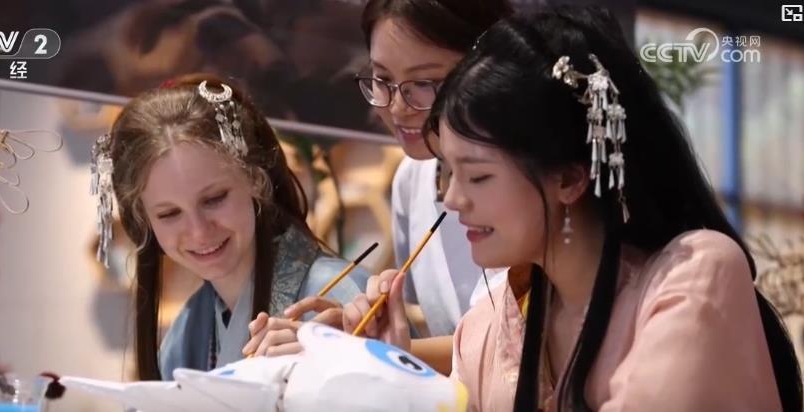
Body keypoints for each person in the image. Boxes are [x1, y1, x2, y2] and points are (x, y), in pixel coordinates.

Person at [344, 6, 802, 411]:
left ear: (568, 178)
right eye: (447, 172)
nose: (452, 199)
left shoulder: (692, 276)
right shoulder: (486, 329)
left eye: (478, 176)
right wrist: (392, 369)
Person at [256, 0, 524, 376]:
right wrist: (359, 339)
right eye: (382, 80)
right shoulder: (411, 180)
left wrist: (364, 350)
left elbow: (521, 342)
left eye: (424, 84)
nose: (397, 108)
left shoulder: (528, 182)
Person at [92, 74, 367, 380]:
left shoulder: (338, 295)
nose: (199, 231)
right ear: (143, 221)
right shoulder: (187, 333)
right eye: (169, 214)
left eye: (214, 199)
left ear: (256, 179)